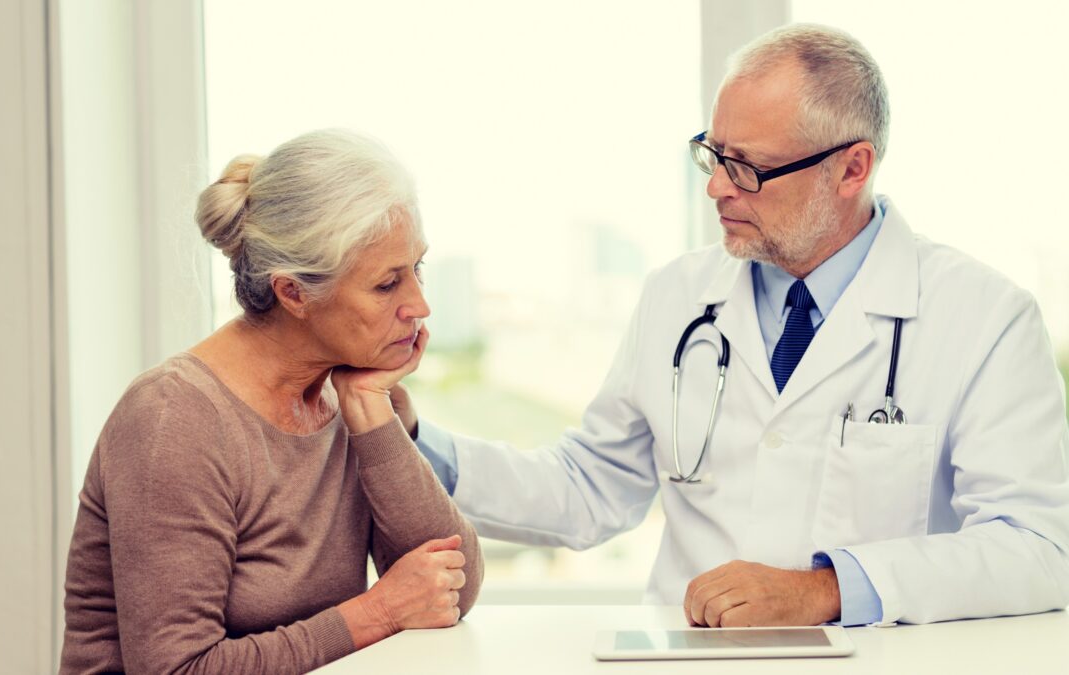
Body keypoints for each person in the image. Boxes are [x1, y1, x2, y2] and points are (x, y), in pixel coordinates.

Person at [404, 24, 1069, 627]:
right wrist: (408, 439)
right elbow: (586, 488)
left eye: (747, 167)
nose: (717, 187)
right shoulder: (677, 295)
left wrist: (826, 589)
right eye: (712, 154)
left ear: (852, 168)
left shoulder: (985, 317)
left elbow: (1037, 547)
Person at [60, 129, 482, 674]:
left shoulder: (357, 393)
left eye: (417, 269)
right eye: (386, 285)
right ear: (293, 293)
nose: (419, 306)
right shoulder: (174, 419)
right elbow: (176, 669)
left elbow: (453, 588)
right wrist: (375, 613)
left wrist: (374, 413)